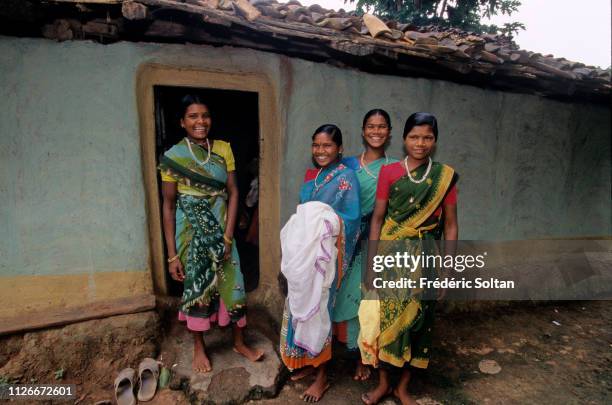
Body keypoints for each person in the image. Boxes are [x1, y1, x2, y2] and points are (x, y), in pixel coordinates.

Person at [359, 112, 458, 405]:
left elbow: (451, 226)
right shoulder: (389, 173)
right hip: (391, 257)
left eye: (427, 137)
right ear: (403, 140)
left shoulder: (445, 177)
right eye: (414, 136)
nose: (421, 143)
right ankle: (383, 384)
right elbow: (377, 219)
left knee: (418, 322)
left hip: (425, 257)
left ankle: (403, 388)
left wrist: (447, 270)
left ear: (435, 141)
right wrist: (372, 264)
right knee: (386, 320)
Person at [159, 95, 263, 374]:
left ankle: (239, 341)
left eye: (204, 115)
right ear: (182, 122)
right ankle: (198, 346)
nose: (200, 121)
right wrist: (171, 255)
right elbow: (168, 206)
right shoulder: (173, 158)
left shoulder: (223, 149)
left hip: (221, 227)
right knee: (197, 286)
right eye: (192, 116)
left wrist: (228, 237)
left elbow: (234, 191)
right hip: (190, 232)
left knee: (234, 282)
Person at [279, 124, 361, 402]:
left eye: (327, 146)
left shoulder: (346, 178)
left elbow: (351, 218)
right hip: (305, 255)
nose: (321, 151)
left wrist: (323, 221)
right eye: (316, 145)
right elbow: (302, 215)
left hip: (326, 259)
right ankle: (307, 362)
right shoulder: (311, 178)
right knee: (299, 306)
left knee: (319, 311)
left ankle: (322, 377)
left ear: (339, 148)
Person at [339, 109, 399, 381]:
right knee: (349, 296)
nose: (376, 131)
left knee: (371, 299)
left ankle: (371, 354)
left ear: (389, 132)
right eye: (371, 126)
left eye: (382, 126)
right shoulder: (348, 165)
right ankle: (356, 356)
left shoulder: (396, 168)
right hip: (348, 238)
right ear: (363, 131)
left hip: (379, 238)